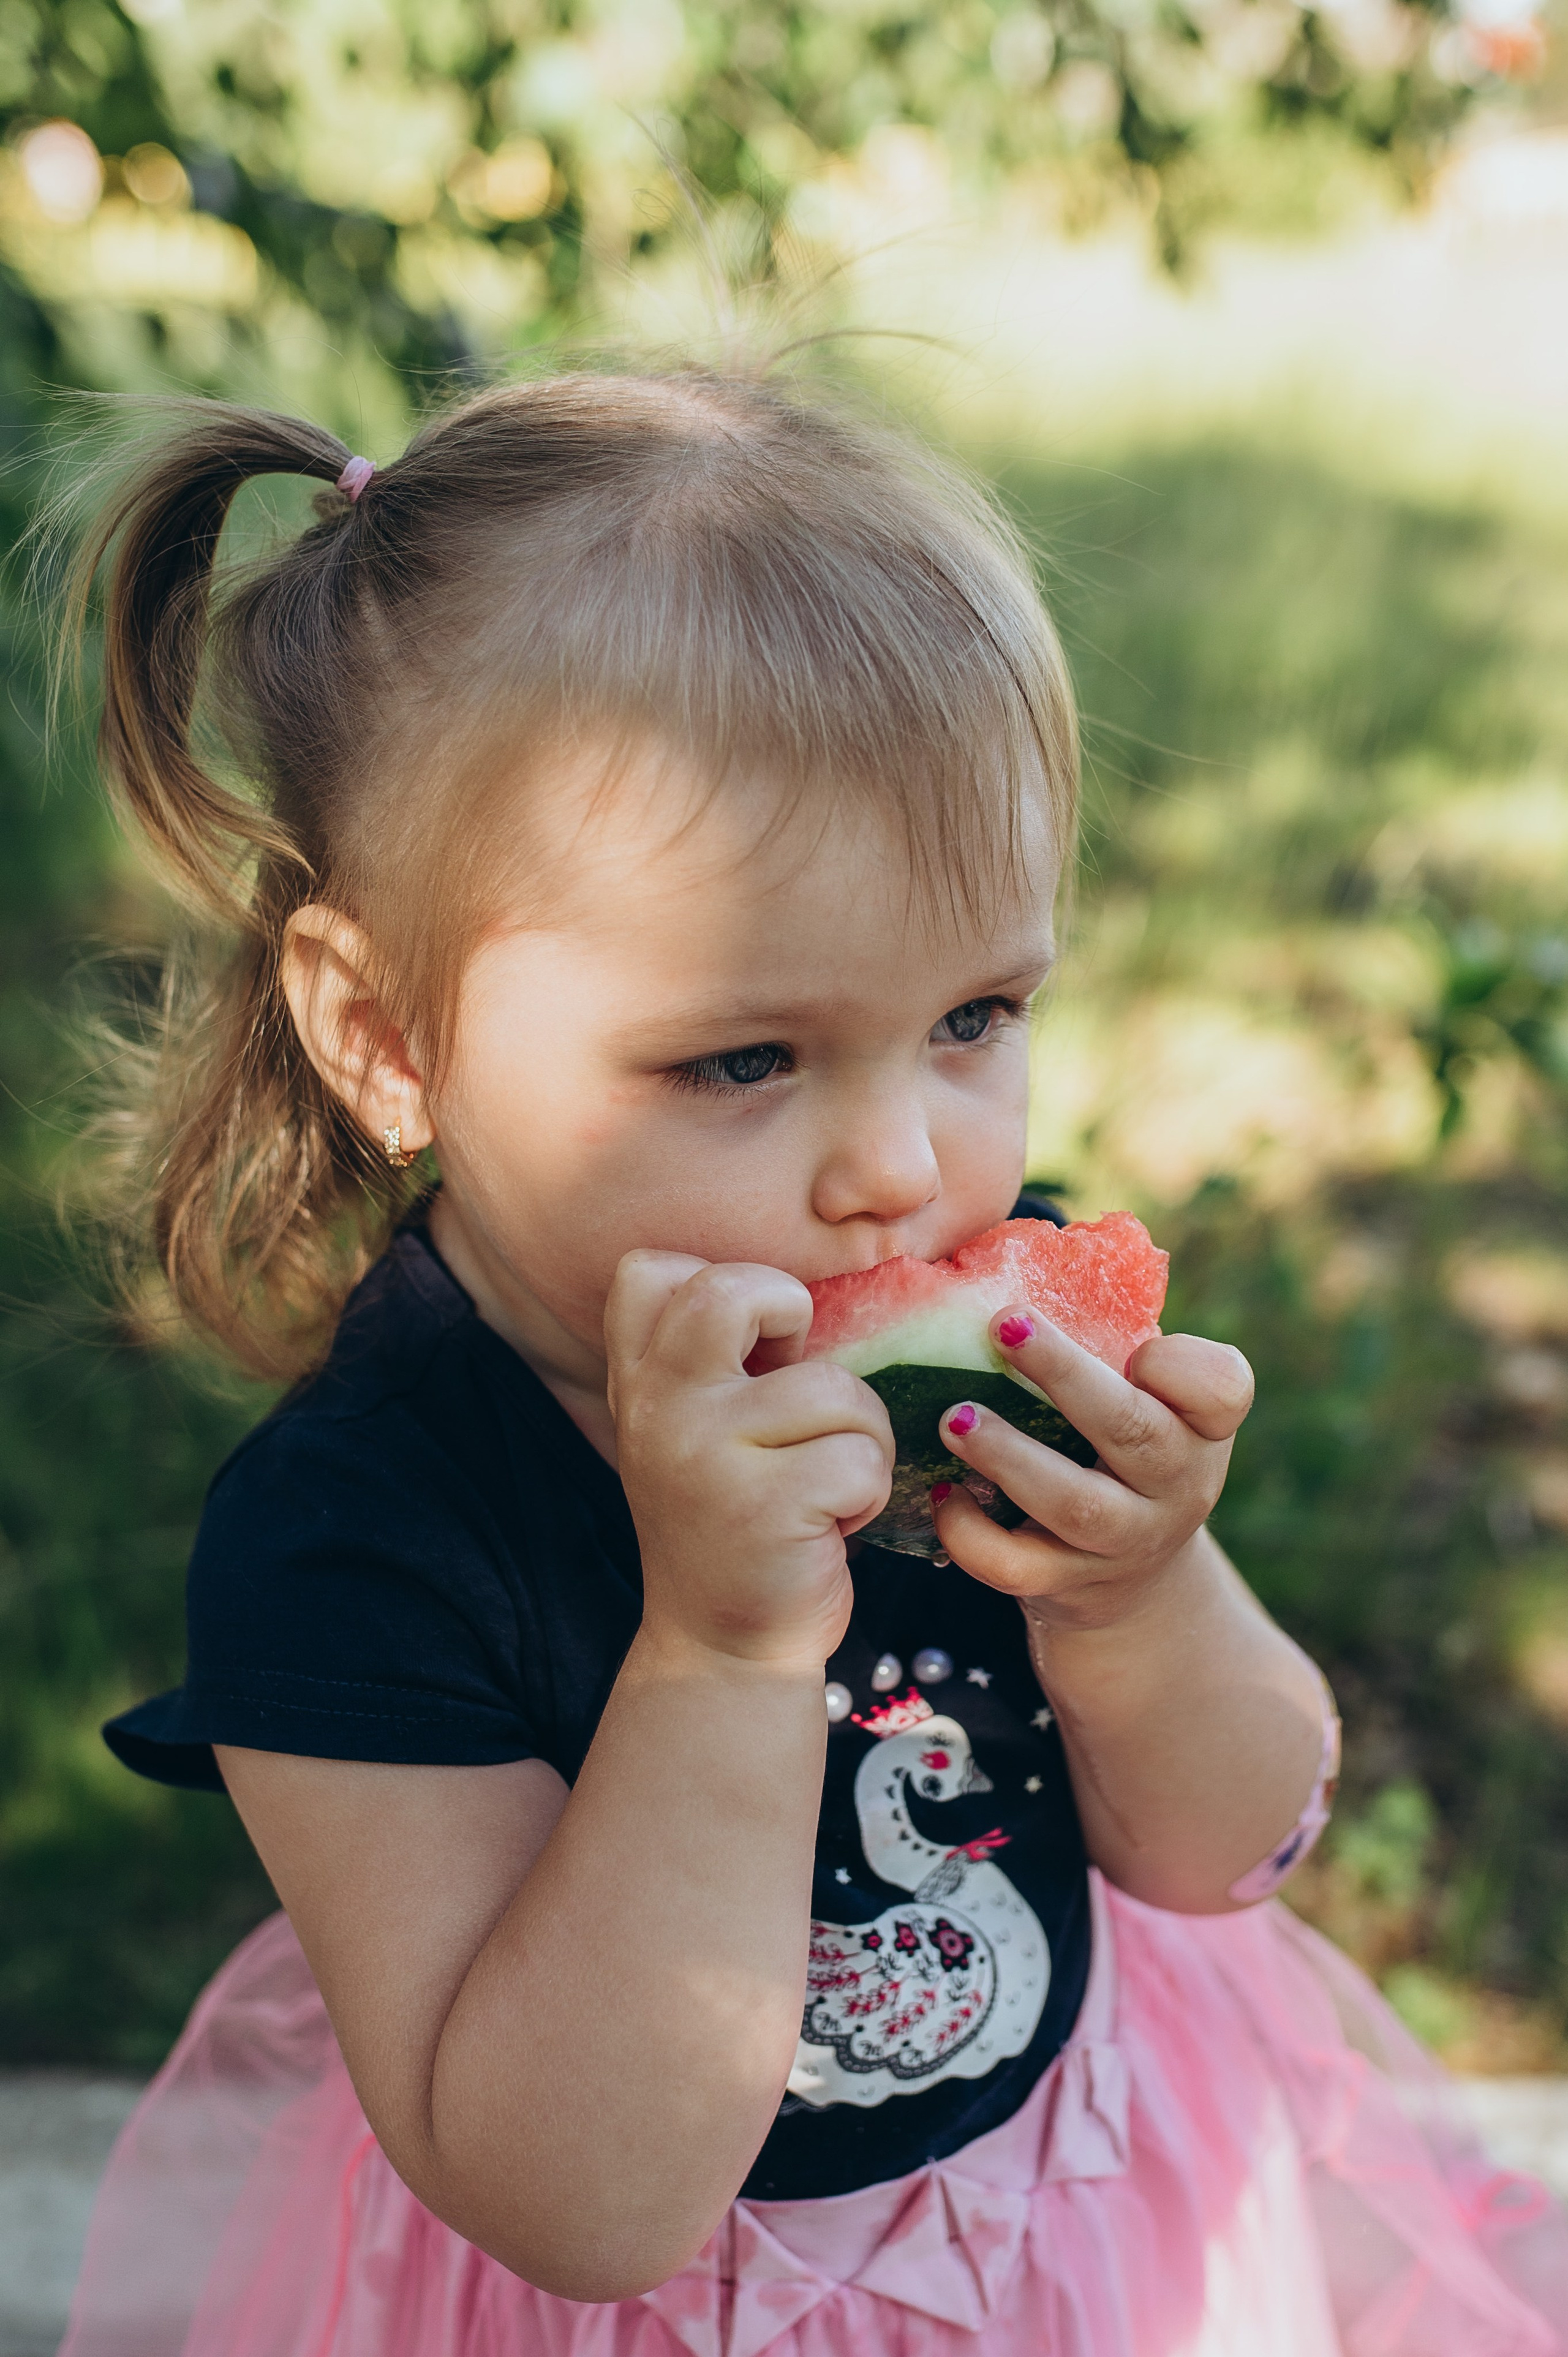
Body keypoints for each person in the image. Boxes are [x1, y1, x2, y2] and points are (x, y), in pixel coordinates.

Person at [56, 368, 1568, 2357]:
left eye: (976, 1013)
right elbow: (578, 2201)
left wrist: (1140, 1591)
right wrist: (724, 1651)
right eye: (743, 1060)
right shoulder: (355, 1538)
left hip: (1097, 2221)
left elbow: (1234, 1852)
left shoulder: (982, 1353)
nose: (901, 1168)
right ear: (385, 1035)